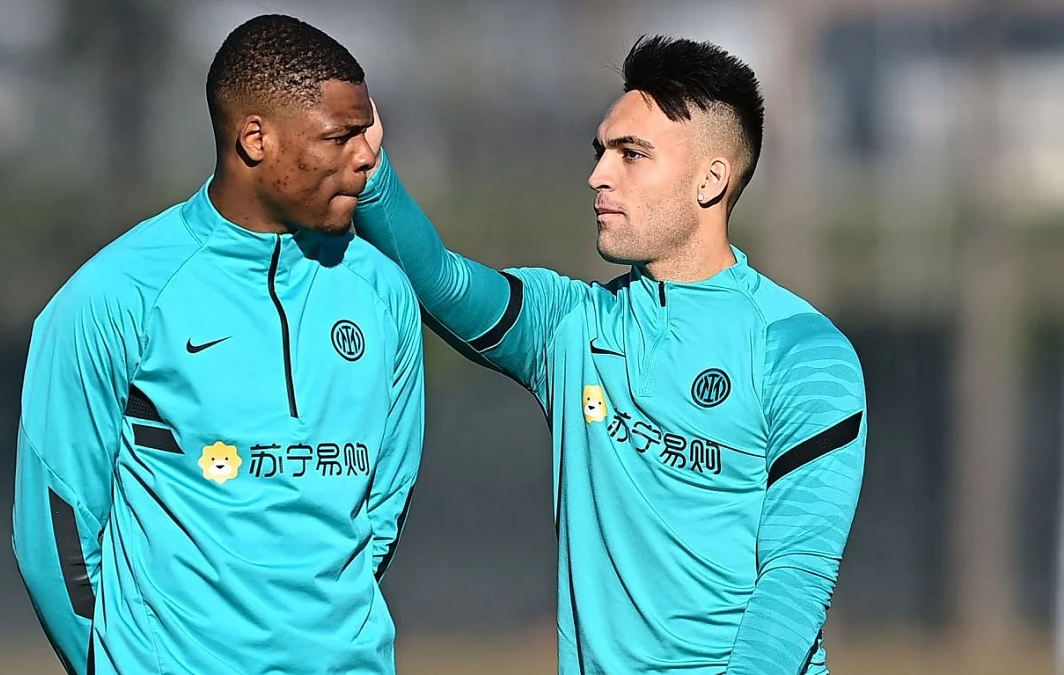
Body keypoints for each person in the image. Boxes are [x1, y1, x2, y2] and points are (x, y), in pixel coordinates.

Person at [355, 36, 866, 675]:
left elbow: (796, 580)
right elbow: (439, 280)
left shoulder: (803, 351)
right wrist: (370, 171)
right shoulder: (568, 324)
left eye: (632, 154)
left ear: (711, 180)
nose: (599, 175)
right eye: (600, 152)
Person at [13, 14, 424, 675]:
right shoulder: (114, 295)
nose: (367, 157)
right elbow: (56, 533)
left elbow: (383, 509)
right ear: (256, 139)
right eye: (340, 136)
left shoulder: (384, 293)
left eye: (364, 134)